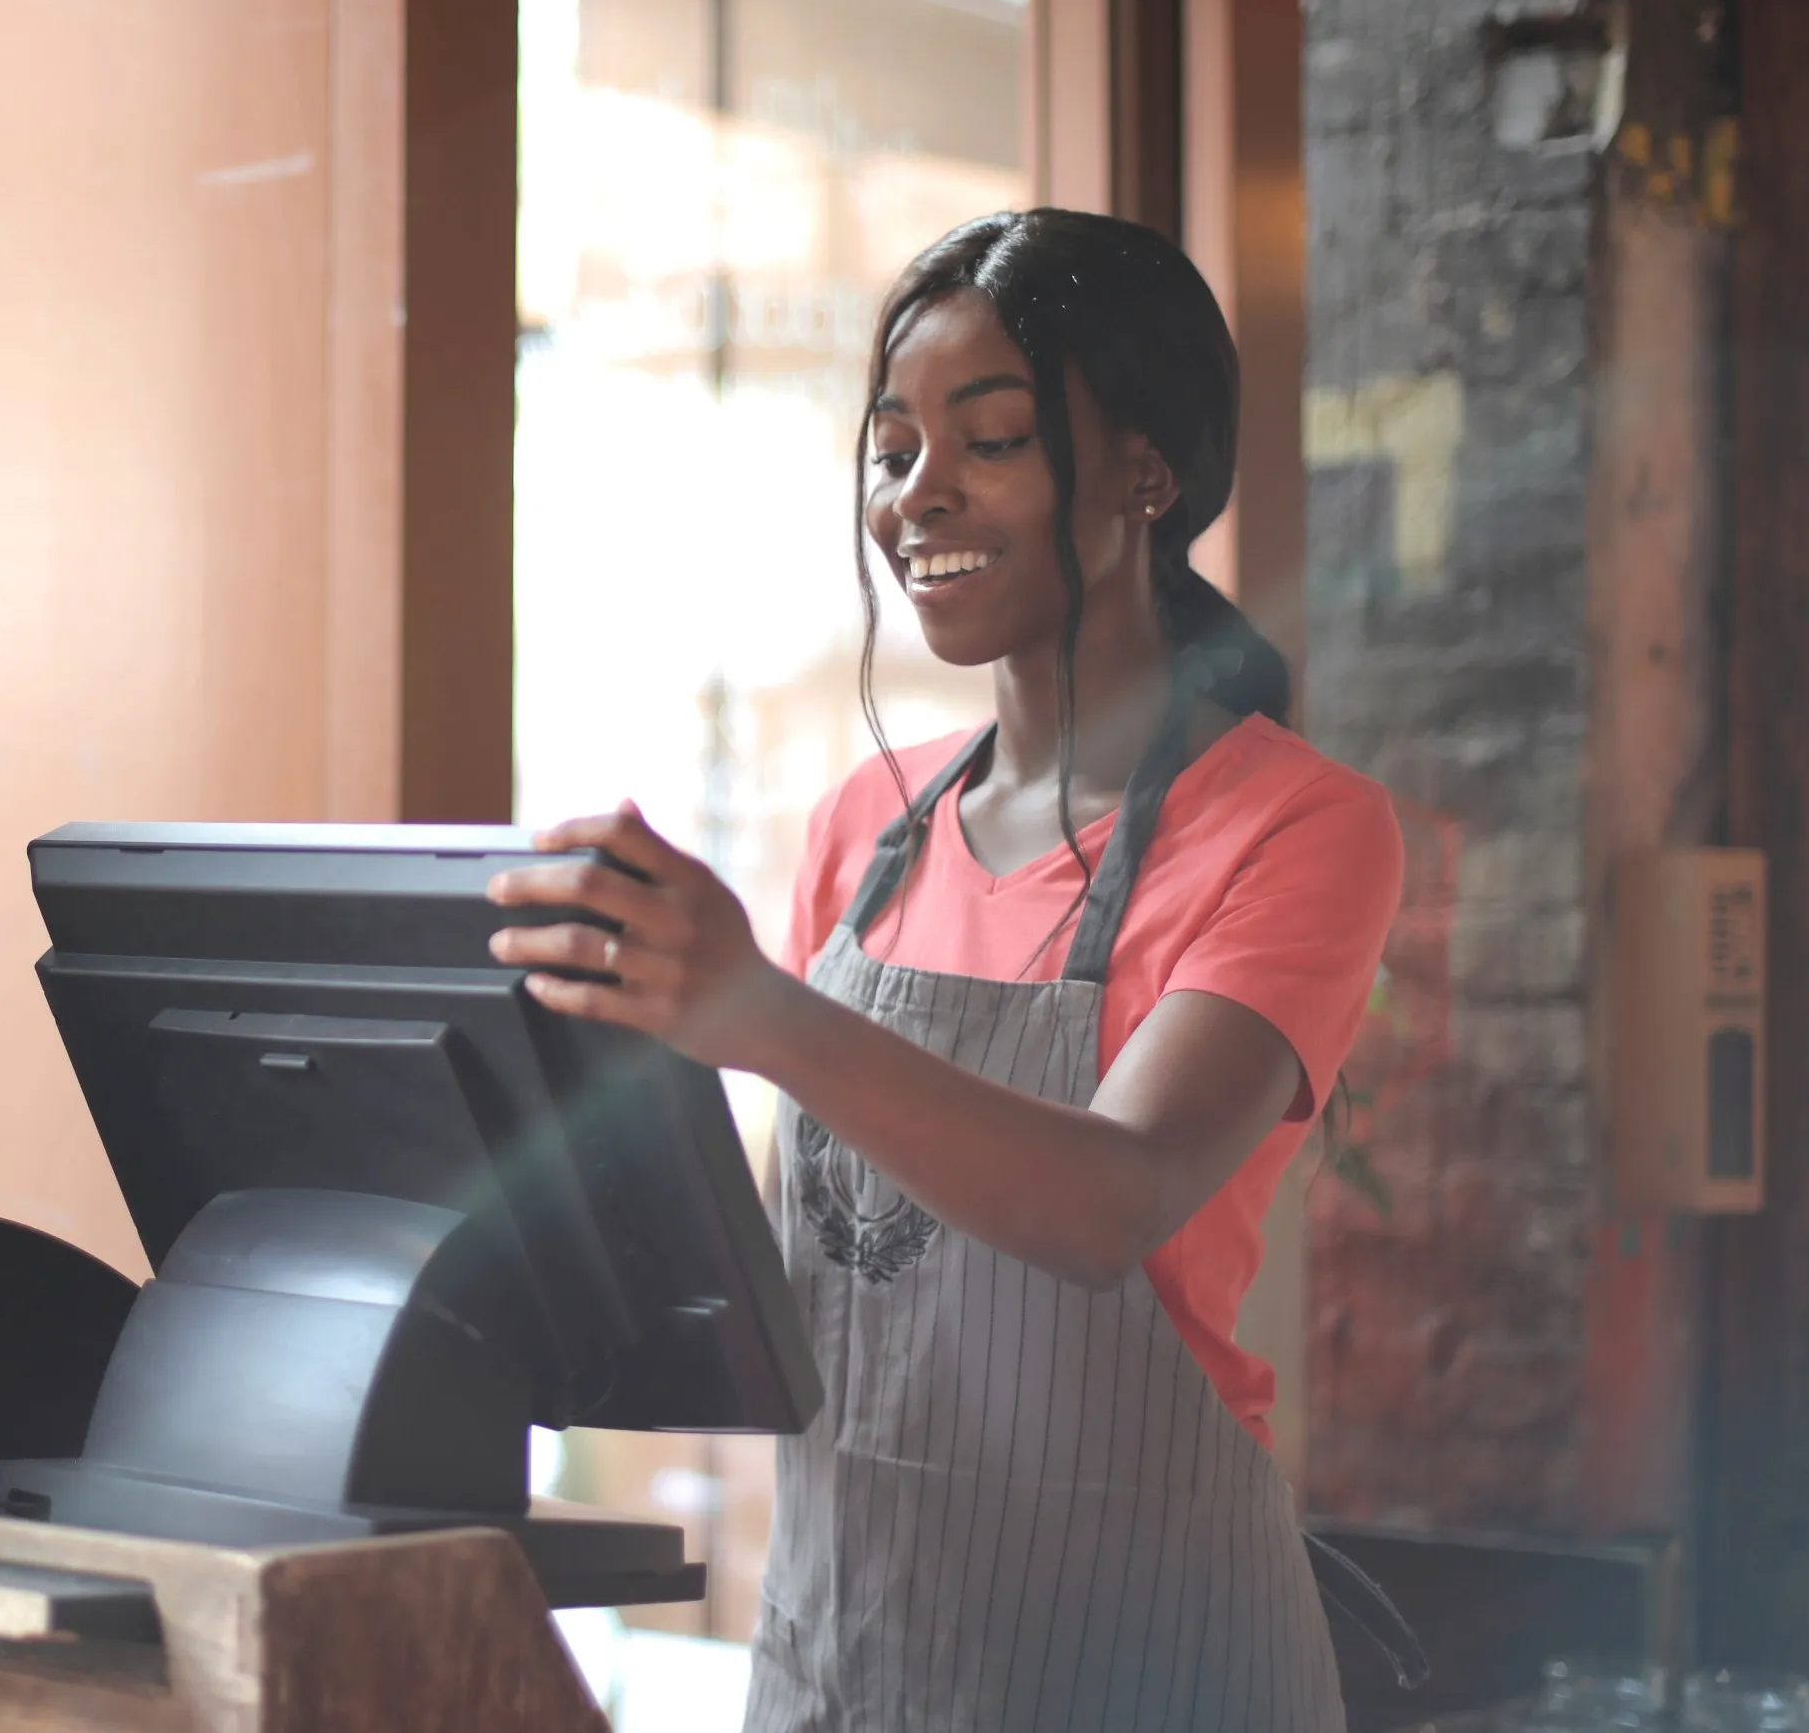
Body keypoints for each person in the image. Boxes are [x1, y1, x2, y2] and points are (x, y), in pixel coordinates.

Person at [488, 209, 1410, 1730]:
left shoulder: (1297, 829)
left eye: (989, 441)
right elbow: (812, 1269)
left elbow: (1112, 1196)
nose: (919, 497)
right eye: (893, 446)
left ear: (1144, 475)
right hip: (845, 1658)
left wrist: (762, 1016)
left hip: (1149, 1672)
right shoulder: (870, 825)